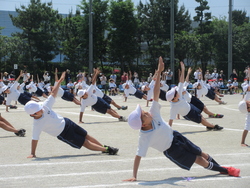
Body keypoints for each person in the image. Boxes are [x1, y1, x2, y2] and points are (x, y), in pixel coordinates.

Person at [123, 57, 240, 182]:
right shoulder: (144, 137)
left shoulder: (153, 114)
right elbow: (138, 156)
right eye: (143, 114)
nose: (146, 112)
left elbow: (156, 91)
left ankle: (221, 168)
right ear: (143, 125)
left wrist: (159, 71)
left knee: (202, 153)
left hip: (176, 137)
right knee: (198, 159)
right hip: (172, 150)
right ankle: (226, 170)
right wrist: (134, 175)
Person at [24, 71, 119, 158]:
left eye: (39, 108)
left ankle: (102, 147)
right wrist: (32, 153)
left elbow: (53, 93)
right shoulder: (37, 124)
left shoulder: (44, 106)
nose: (41, 110)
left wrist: (60, 81)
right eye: (38, 110)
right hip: (63, 133)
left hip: (67, 122)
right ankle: (106, 149)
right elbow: (34, 139)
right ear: (32, 115)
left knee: (86, 135)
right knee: (84, 142)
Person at [166, 63, 223, 131]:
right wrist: (167, 132)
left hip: (190, 106)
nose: (177, 92)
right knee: (201, 119)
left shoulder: (178, 93)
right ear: (174, 98)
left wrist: (183, 70)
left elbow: (181, 81)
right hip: (188, 113)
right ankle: (213, 126)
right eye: (175, 92)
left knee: (201, 116)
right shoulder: (173, 107)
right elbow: (171, 120)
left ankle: (210, 125)